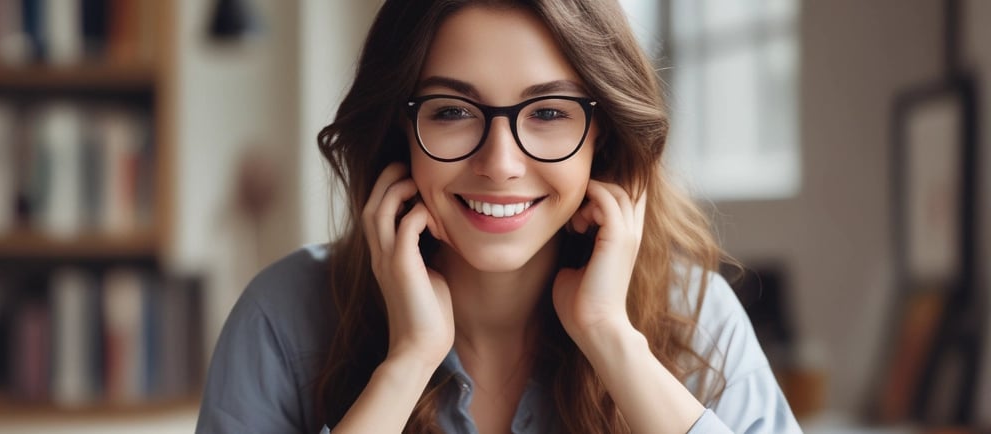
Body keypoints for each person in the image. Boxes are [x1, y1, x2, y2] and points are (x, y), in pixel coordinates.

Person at [196, 0, 803, 433]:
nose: (501, 164)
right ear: (399, 131)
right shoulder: (281, 319)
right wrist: (407, 362)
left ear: (604, 136)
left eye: (549, 112)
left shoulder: (696, 317)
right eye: (452, 111)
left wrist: (612, 340)